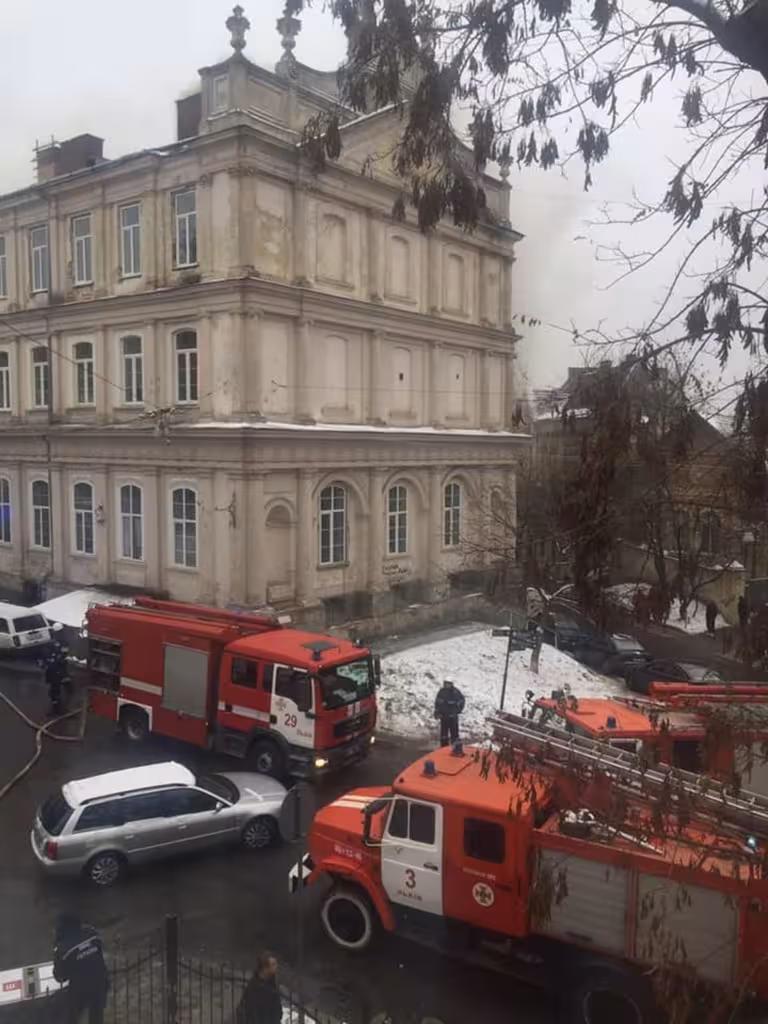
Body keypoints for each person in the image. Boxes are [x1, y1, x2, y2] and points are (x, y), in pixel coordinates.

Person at [53, 912, 110, 1024]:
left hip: (80, 990)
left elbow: (60, 976)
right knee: (97, 1017)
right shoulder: (92, 933)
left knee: (71, 1018)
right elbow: (99, 952)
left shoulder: (63, 948)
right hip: (100, 982)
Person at [236, 950, 282, 1024]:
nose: (276, 967)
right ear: (265, 968)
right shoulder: (253, 986)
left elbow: (277, 1010)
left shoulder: (273, 983)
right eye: (273, 964)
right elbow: (244, 1010)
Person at [434, 679, 465, 747]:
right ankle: (443, 747)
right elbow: (437, 702)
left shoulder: (455, 692)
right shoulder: (441, 692)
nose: (447, 685)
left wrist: (458, 710)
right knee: (444, 734)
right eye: (446, 683)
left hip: (453, 717)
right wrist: (436, 712)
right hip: (444, 716)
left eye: (448, 683)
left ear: (451, 684)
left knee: (454, 734)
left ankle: (455, 748)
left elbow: (462, 701)